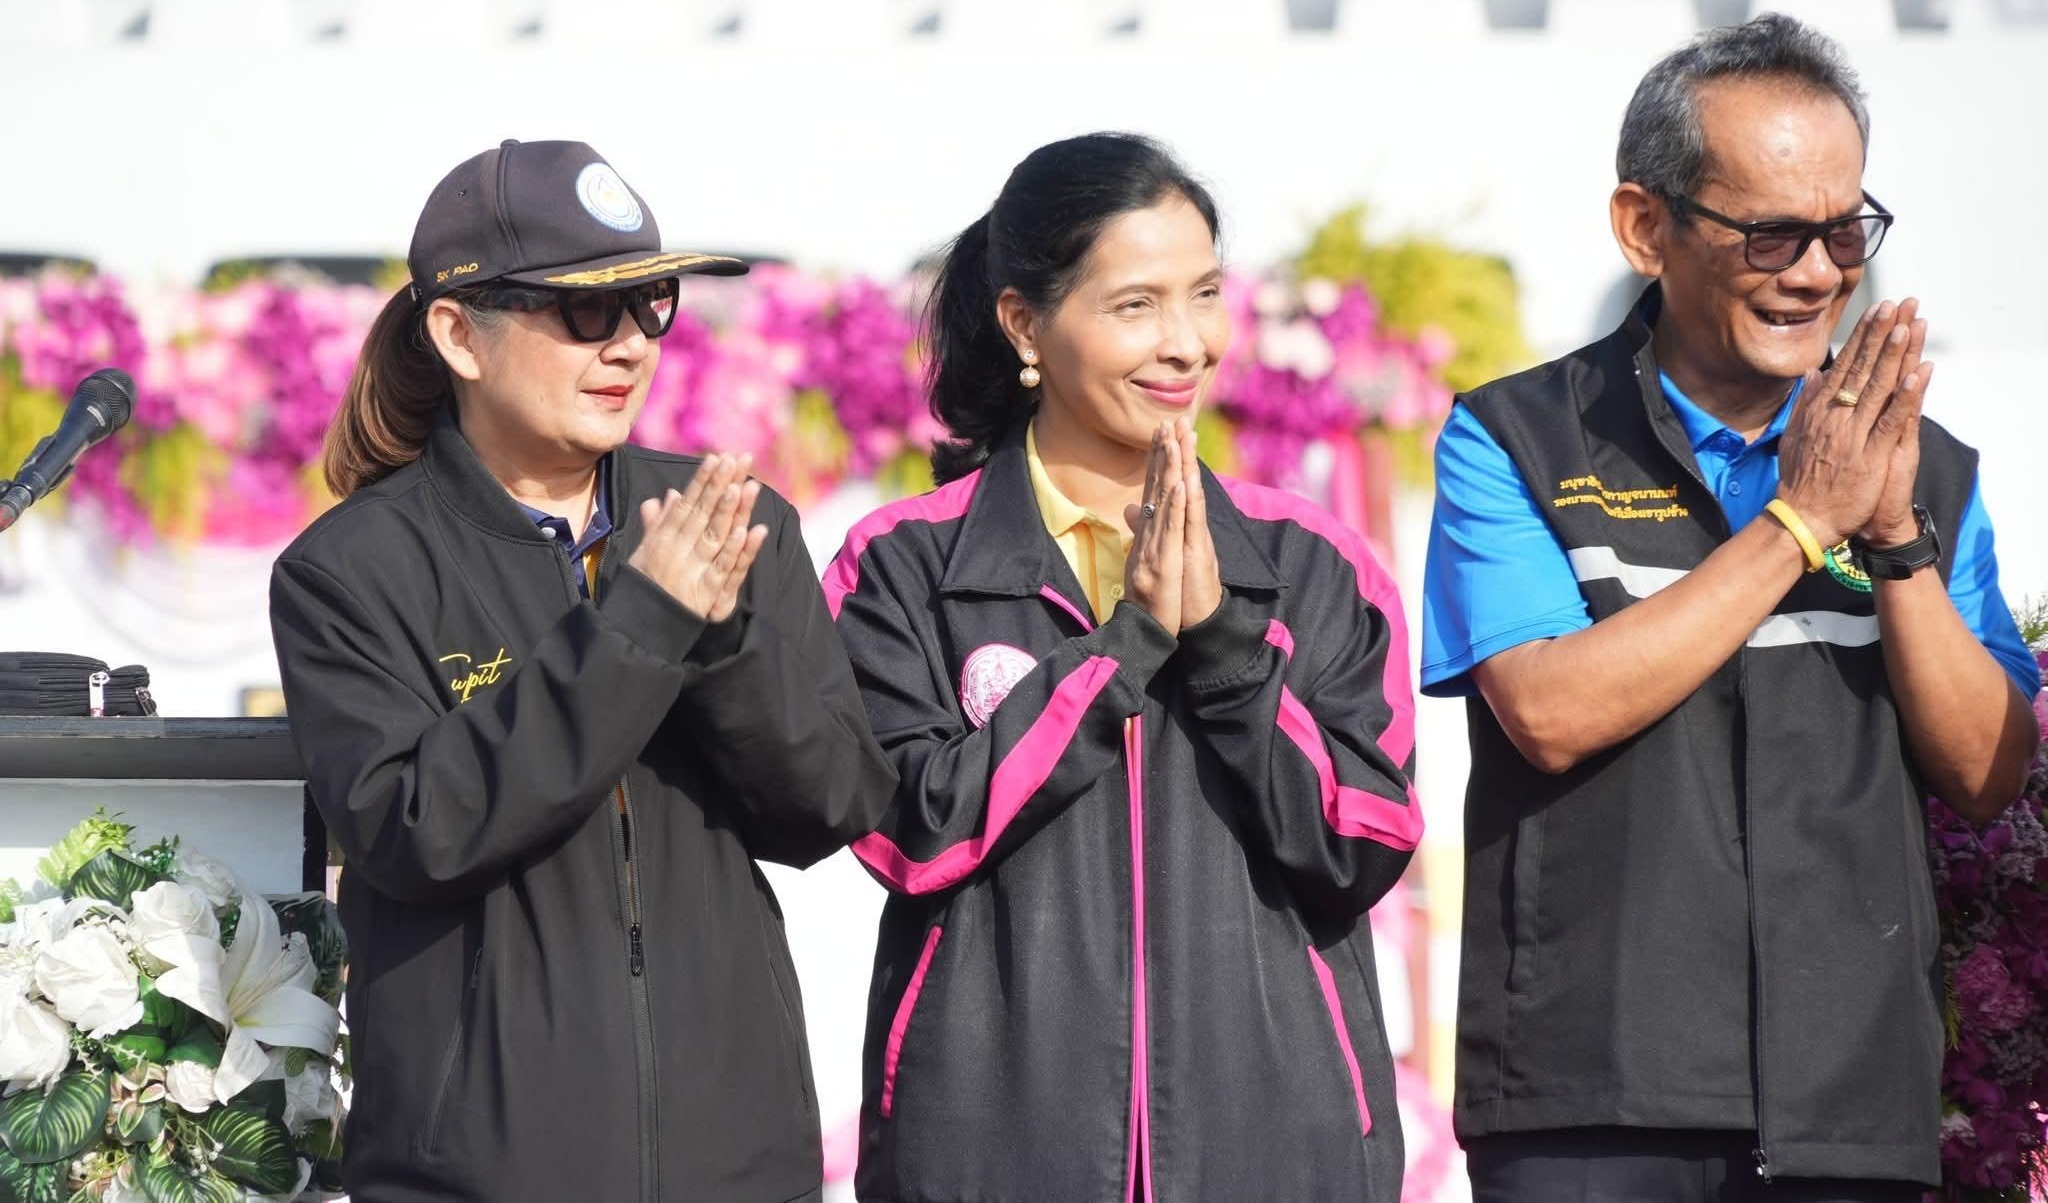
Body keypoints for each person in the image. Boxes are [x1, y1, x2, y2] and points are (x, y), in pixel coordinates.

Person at [1423, 15, 2042, 1202]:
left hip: (1852, 1105)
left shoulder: (1929, 473)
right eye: (1770, 234)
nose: (1815, 273)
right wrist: (1797, 524)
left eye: (1843, 229)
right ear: (1643, 227)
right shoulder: (1515, 440)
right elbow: (1546, 712)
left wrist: (1891, 537)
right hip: (1591, 1097)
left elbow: (1986, 772)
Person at [268, 138, 895, 1203]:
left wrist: (720, 636)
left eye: (650, 303)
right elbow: (416, 831)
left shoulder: (729, 525)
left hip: (738, 1168)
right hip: (473, 1176)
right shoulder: (349, 570)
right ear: (458, 334)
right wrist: (639, 626)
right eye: (586, 310)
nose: (631, 344)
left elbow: (830, 805)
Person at [825, 132, 1420, 1201]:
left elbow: (1361, 843)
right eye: (1136, 305)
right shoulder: (899, 567)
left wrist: (1227, 651)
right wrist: (1125, 648)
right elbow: (906, 831)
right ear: (1025, 324)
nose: (1186, 344)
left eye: (1205, 294)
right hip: (986, 1164)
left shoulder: (1314, 564)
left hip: (1278, 1163)